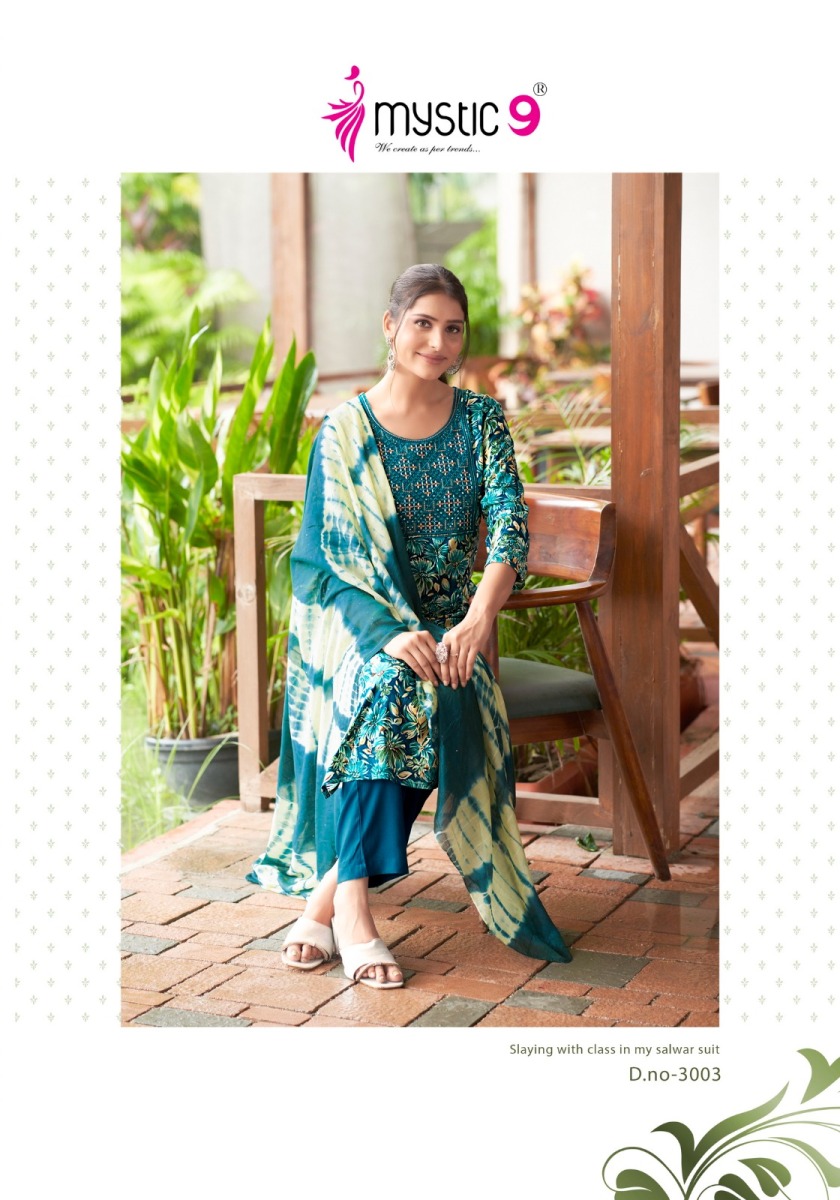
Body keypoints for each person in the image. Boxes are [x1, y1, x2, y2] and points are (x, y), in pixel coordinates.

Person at [246, 264, 571, 988]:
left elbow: (509, 526)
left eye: (452, 328)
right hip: (363, 634)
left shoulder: (482, 420)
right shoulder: (343, 432)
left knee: (420, 685)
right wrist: (388, 634)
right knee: (395, 680)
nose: (438, 341)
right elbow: (320, 564)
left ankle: (328, 902)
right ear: (391, 326)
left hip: (454, 634)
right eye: (423, 323)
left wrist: (476, 622)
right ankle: (356, 913)